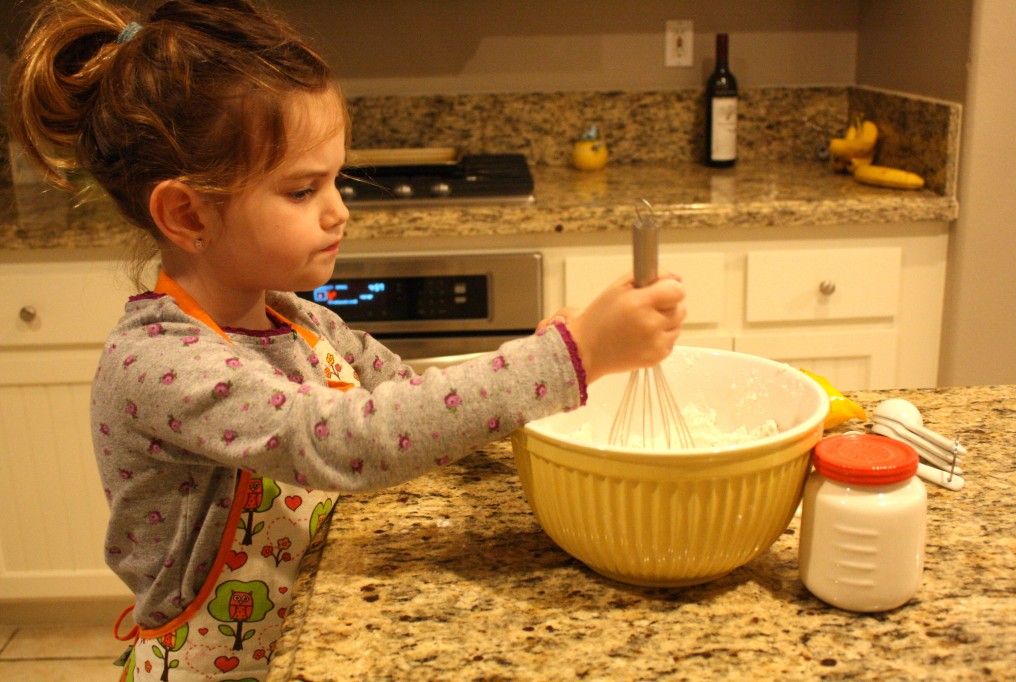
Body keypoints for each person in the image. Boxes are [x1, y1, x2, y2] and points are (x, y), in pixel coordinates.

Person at [7, 1, 687, 679]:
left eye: (336, 179)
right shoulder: (159, 364)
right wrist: (570, 358)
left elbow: (411, 400)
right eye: (303, 190)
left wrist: (547, 358)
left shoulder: (300, 321)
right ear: (187, 213)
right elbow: (344, 439)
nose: (339, 210)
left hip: (299, 644)